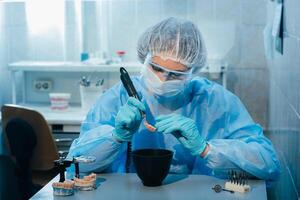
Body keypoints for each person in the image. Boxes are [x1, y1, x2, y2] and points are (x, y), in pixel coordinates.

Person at [67, 17, 280, 181]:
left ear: (193, 71)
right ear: (145, 58)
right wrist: (115, 137)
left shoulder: (216, 102)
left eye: (176, 74)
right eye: (156, 68)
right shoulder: (121, 97)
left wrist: (207, 149)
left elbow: (267, 163)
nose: (162, 79)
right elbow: (75, 164)